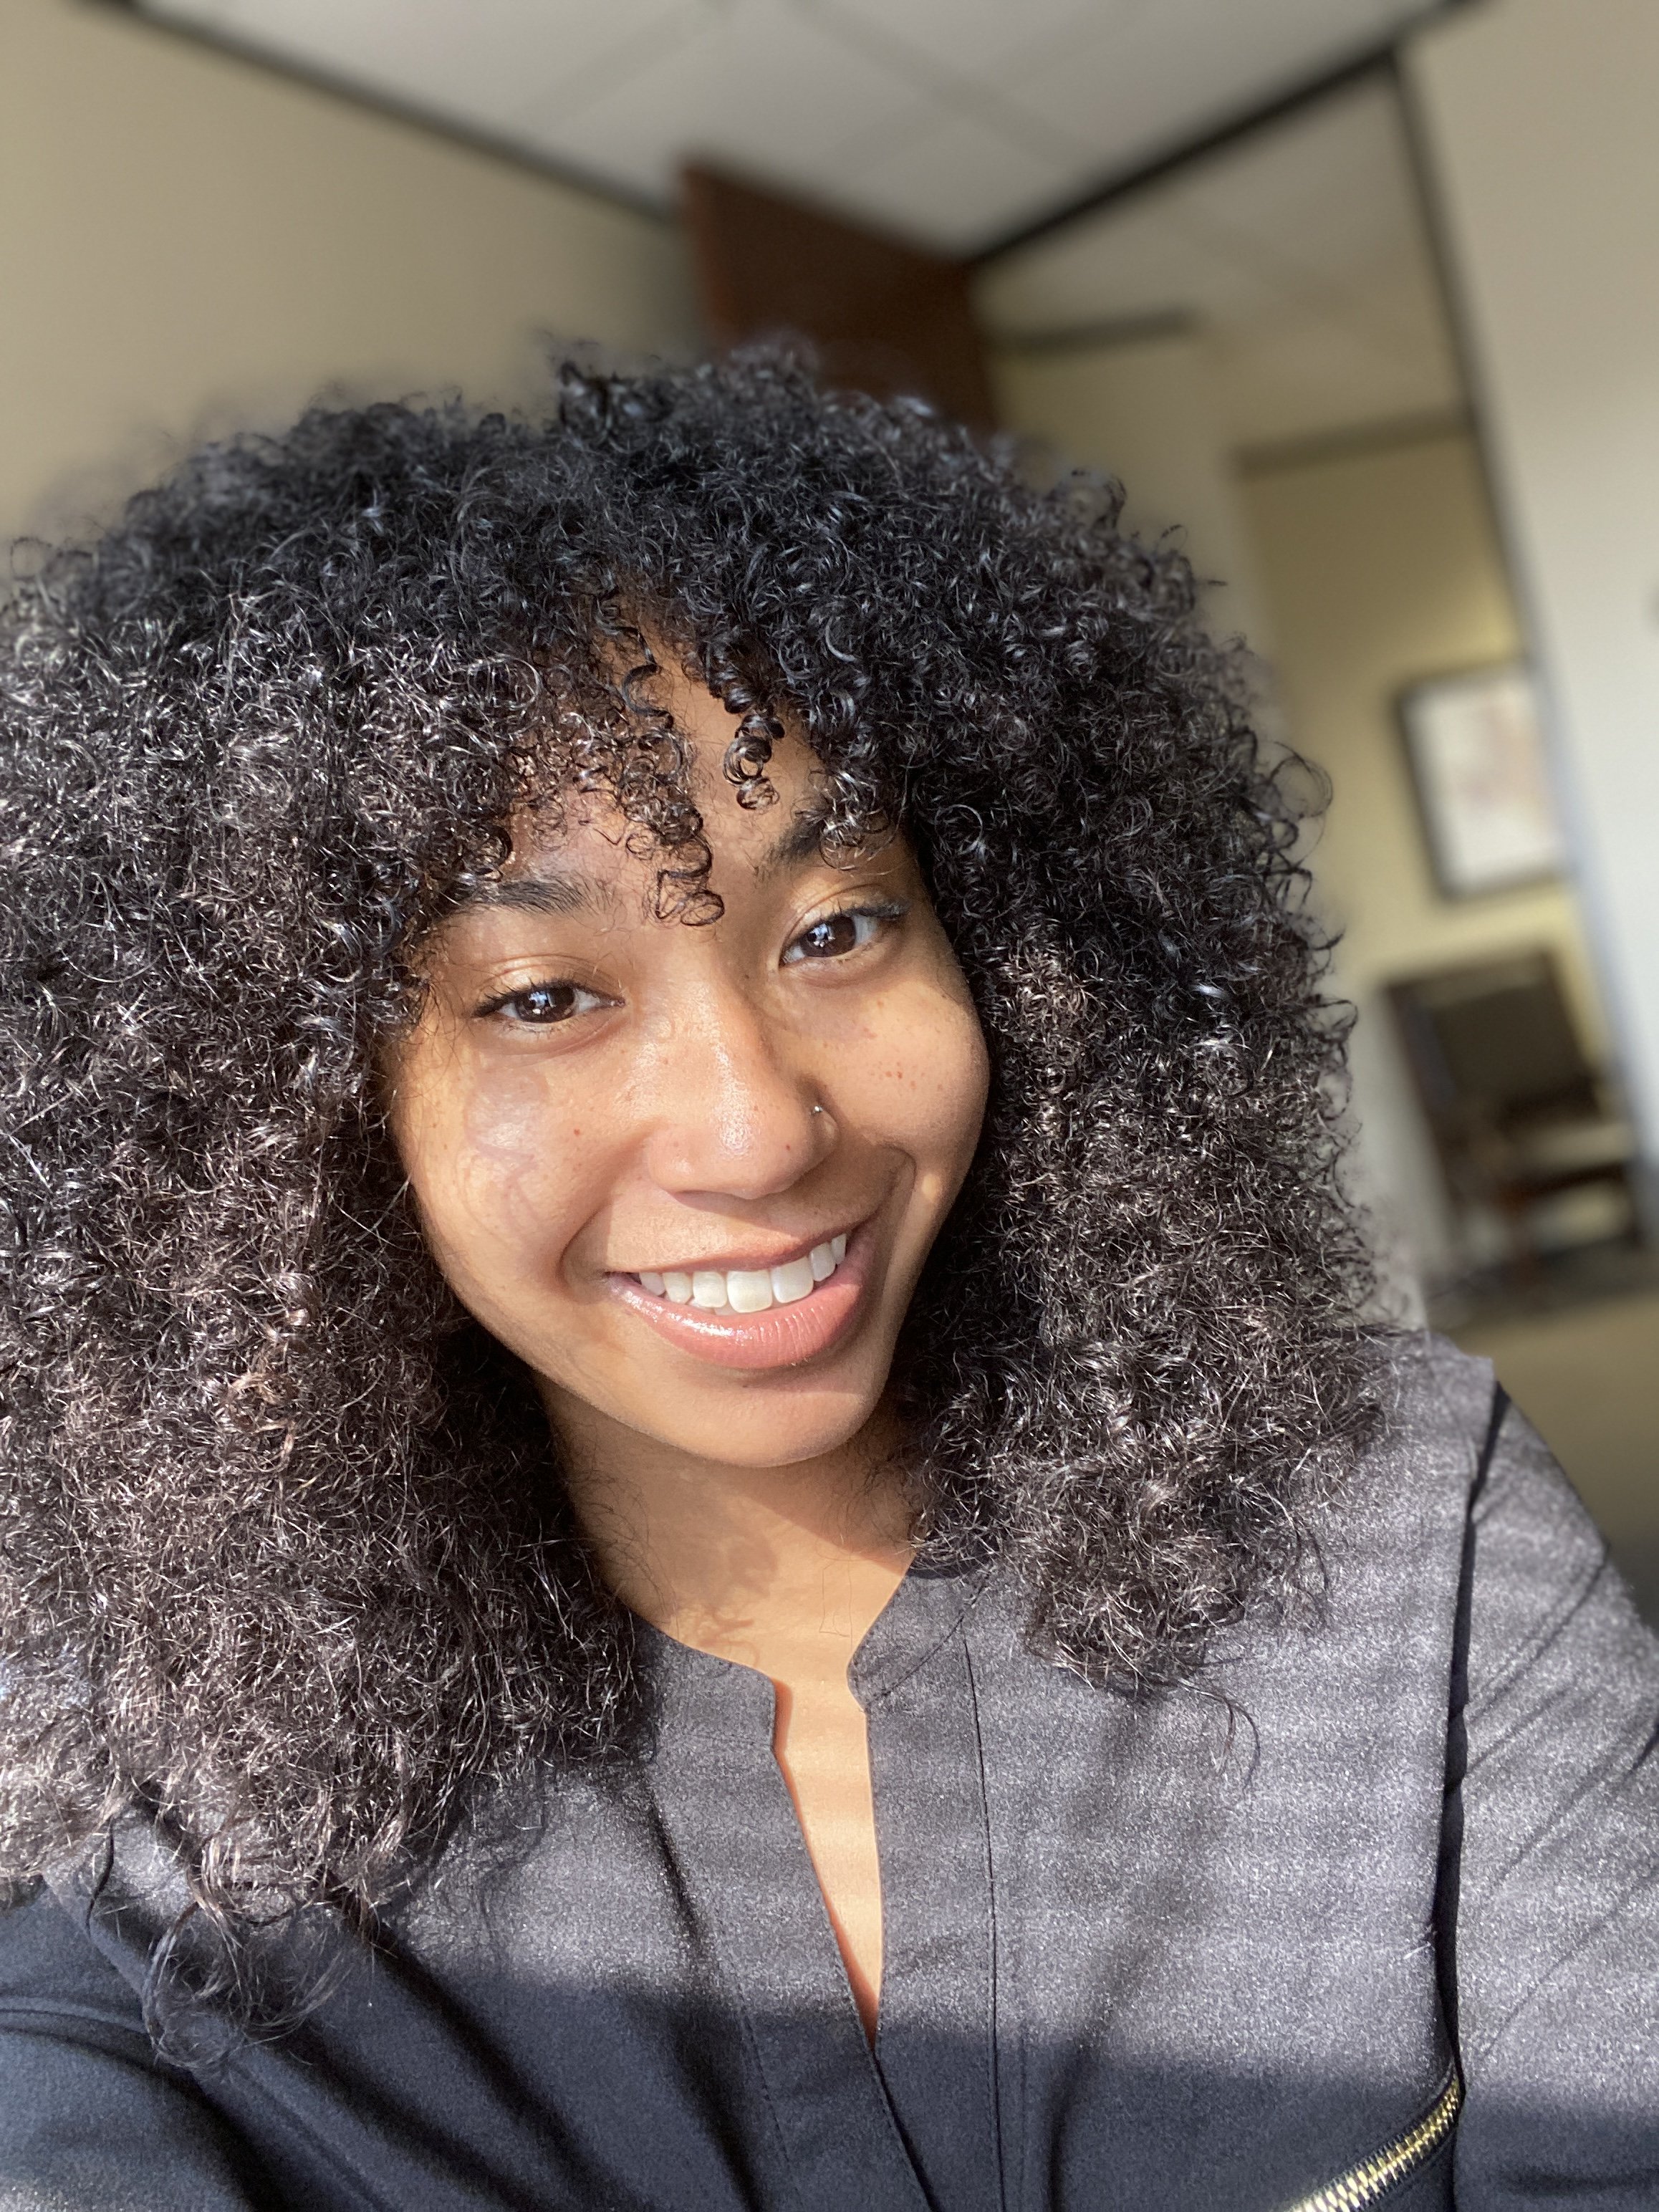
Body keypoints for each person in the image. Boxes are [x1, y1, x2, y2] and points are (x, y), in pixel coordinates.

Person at [0, 355, 1653, 2212]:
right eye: (543, 997)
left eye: (839, 926)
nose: (756, 1129)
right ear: (285, 1116)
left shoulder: (1401, 1527)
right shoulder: (165, 1818)